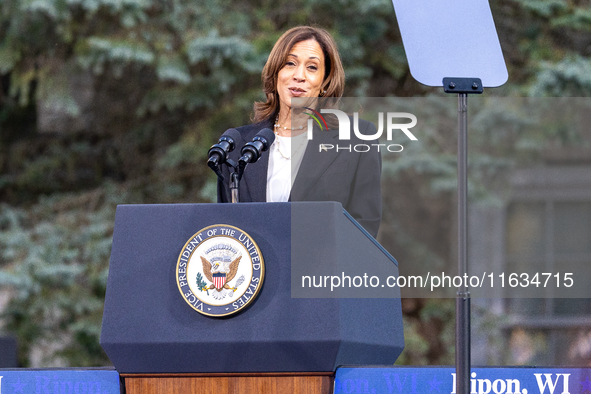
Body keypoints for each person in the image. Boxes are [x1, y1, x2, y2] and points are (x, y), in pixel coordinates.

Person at [217, 26, 382, 237]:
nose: (299, 76)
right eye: (290, 63)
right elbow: (224, 228)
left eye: (312, 67)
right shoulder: (237, 144)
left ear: (325, 81)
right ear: (276, 72)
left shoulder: (357, 137)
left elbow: (364, 228)